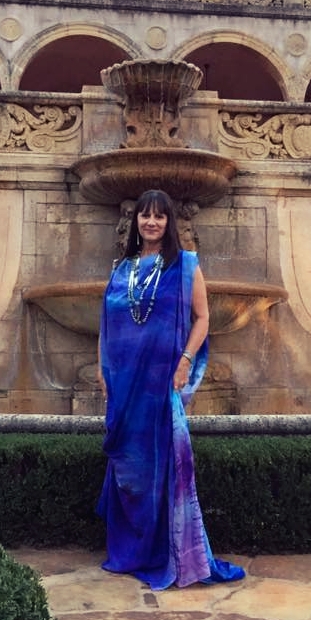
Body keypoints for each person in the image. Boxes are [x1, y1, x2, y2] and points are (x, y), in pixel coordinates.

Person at [97, 189, 245, 590]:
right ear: (136, 223)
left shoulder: (185, 265)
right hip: (125, 384)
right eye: (144, 216)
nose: (150, 222)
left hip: (160, 385)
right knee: (129, 466)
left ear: (169, 223)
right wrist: (102, 368)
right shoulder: (121, 268)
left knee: (164, 462)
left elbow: (202, 318)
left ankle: (168, 552)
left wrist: (184, 361)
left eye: (159, 217)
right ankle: (131, 551)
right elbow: (107, 325)